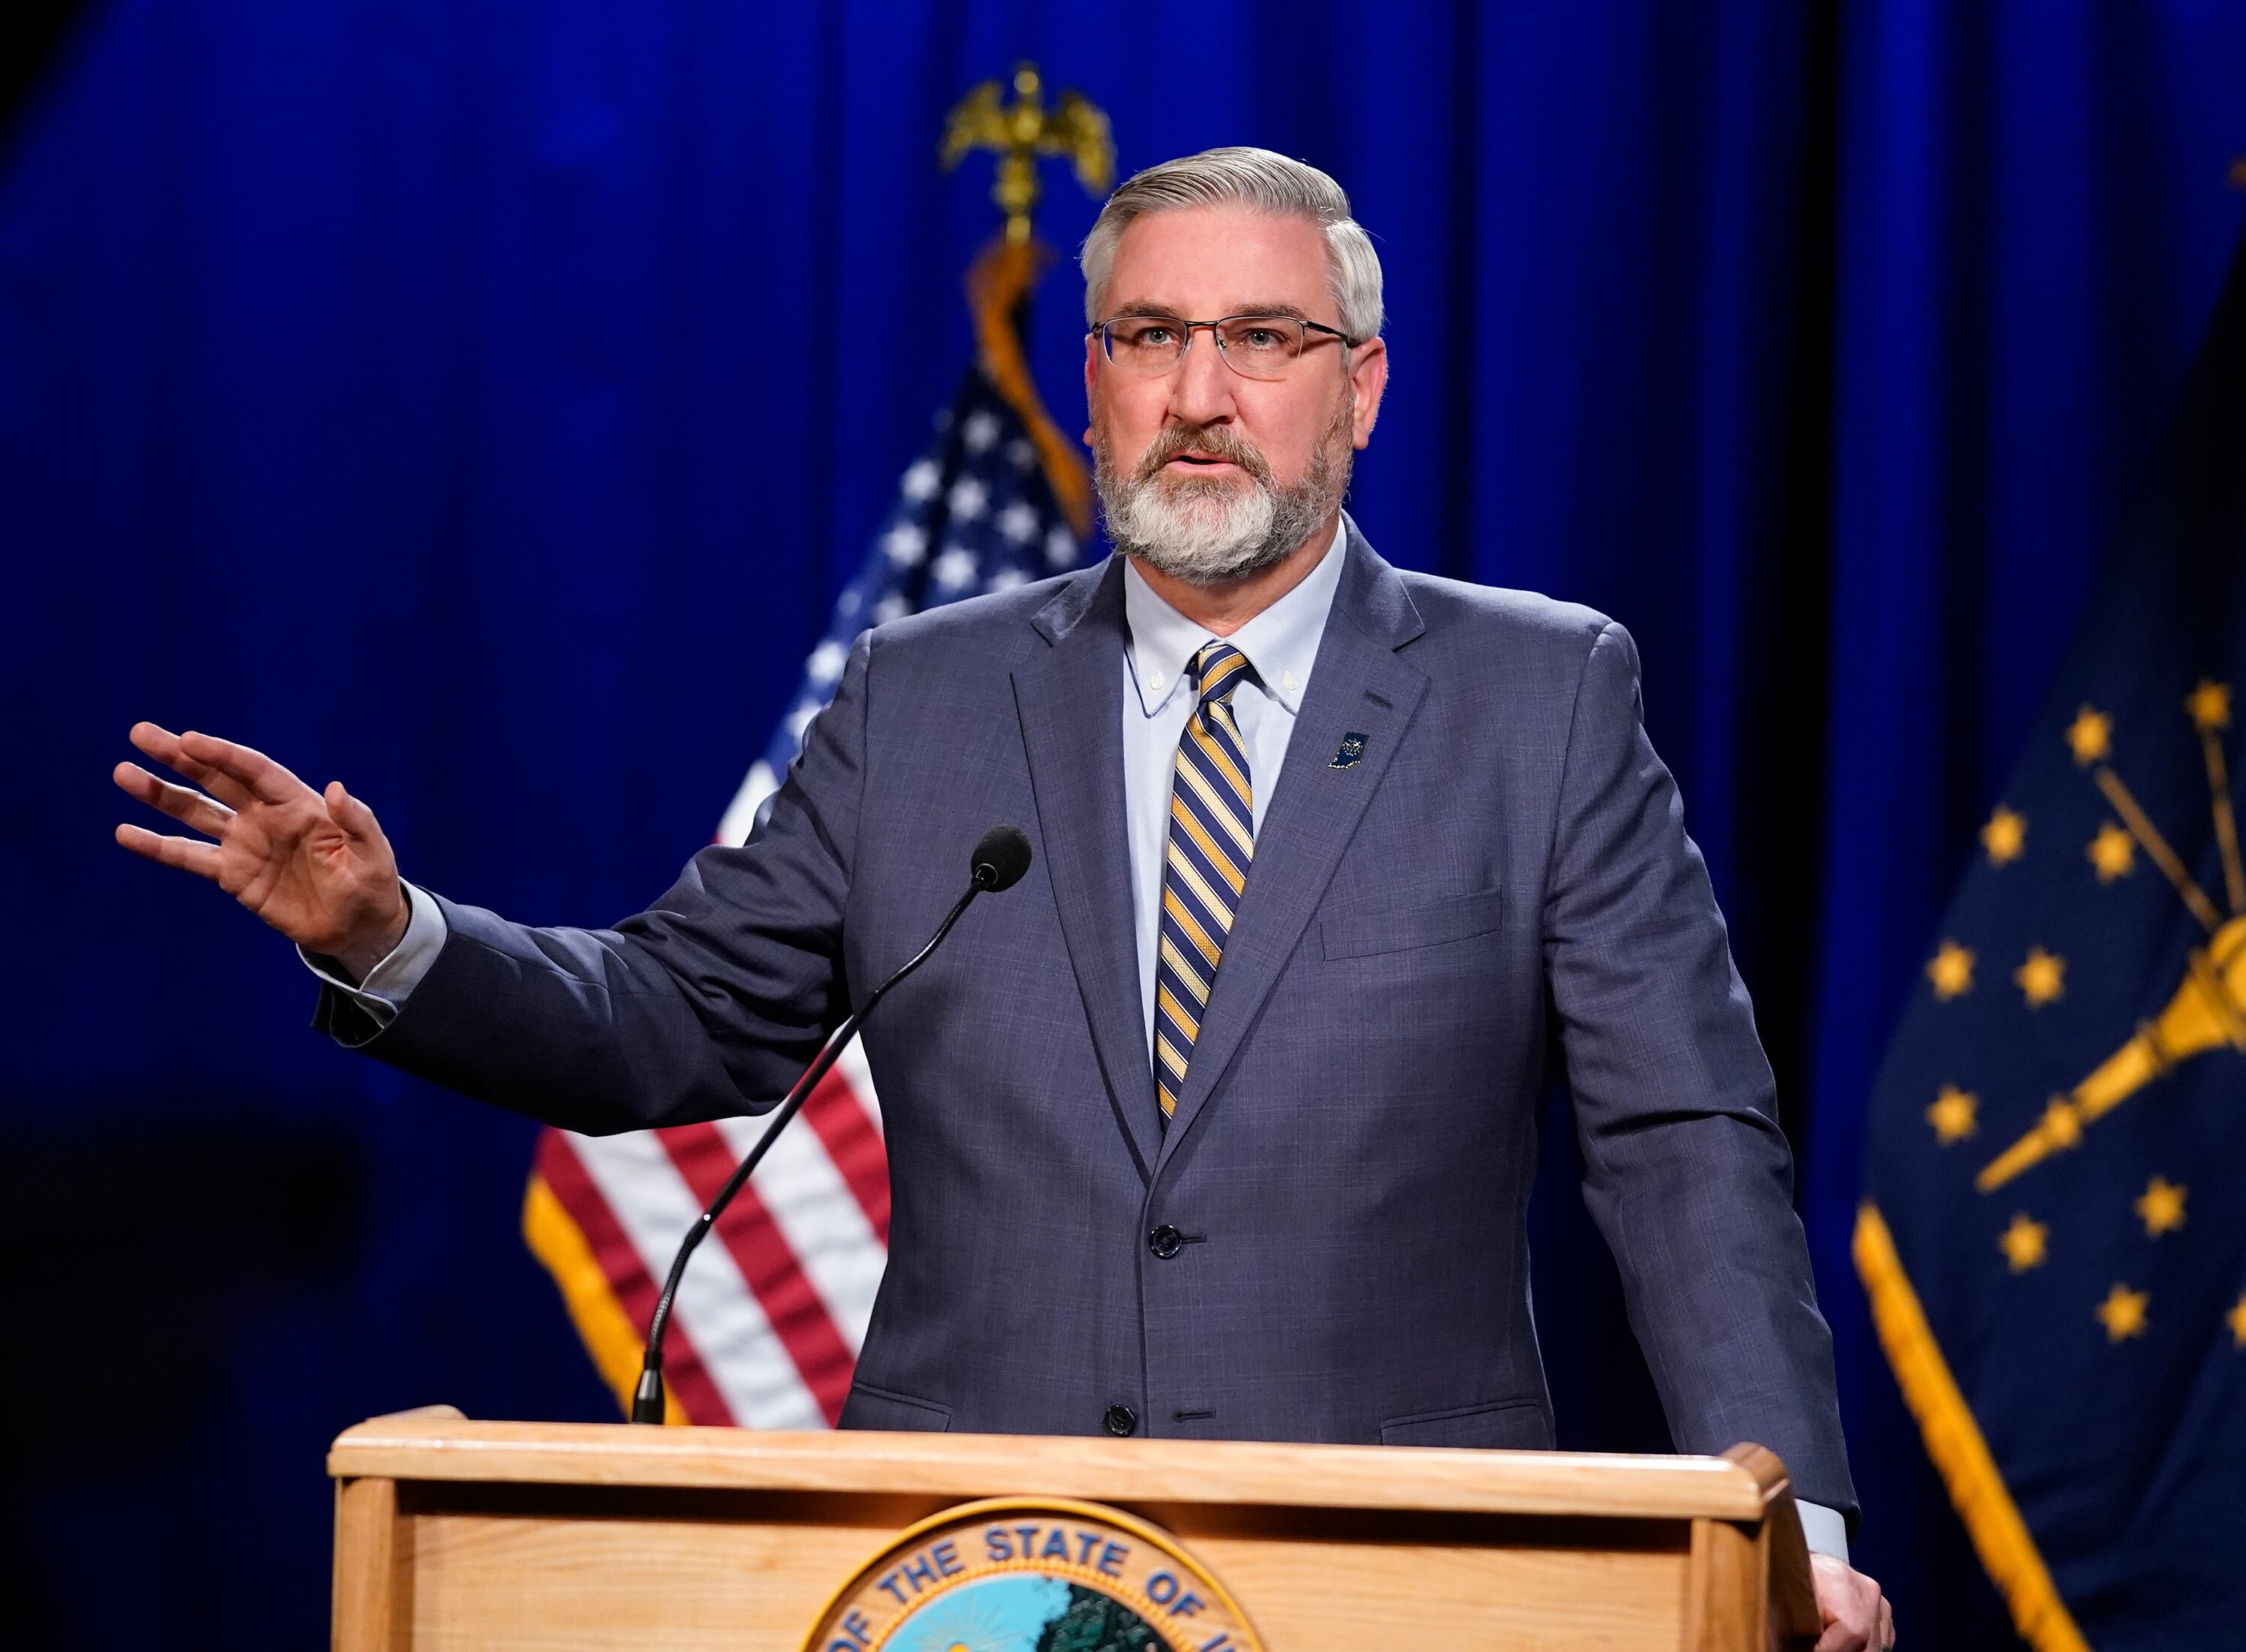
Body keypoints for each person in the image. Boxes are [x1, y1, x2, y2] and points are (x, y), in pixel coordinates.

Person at [116, 147, 1890, 1650]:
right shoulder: (927, 695)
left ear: (1357, 385)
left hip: (1387, 1564)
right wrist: (389, 931)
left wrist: (1789, 1520)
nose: (1201, 391)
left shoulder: (1539, 694)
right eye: (1149, 338)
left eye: (1261, 338)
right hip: (961, 1573)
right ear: (1096, 377)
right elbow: (675, 1013)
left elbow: (1683, 1136)